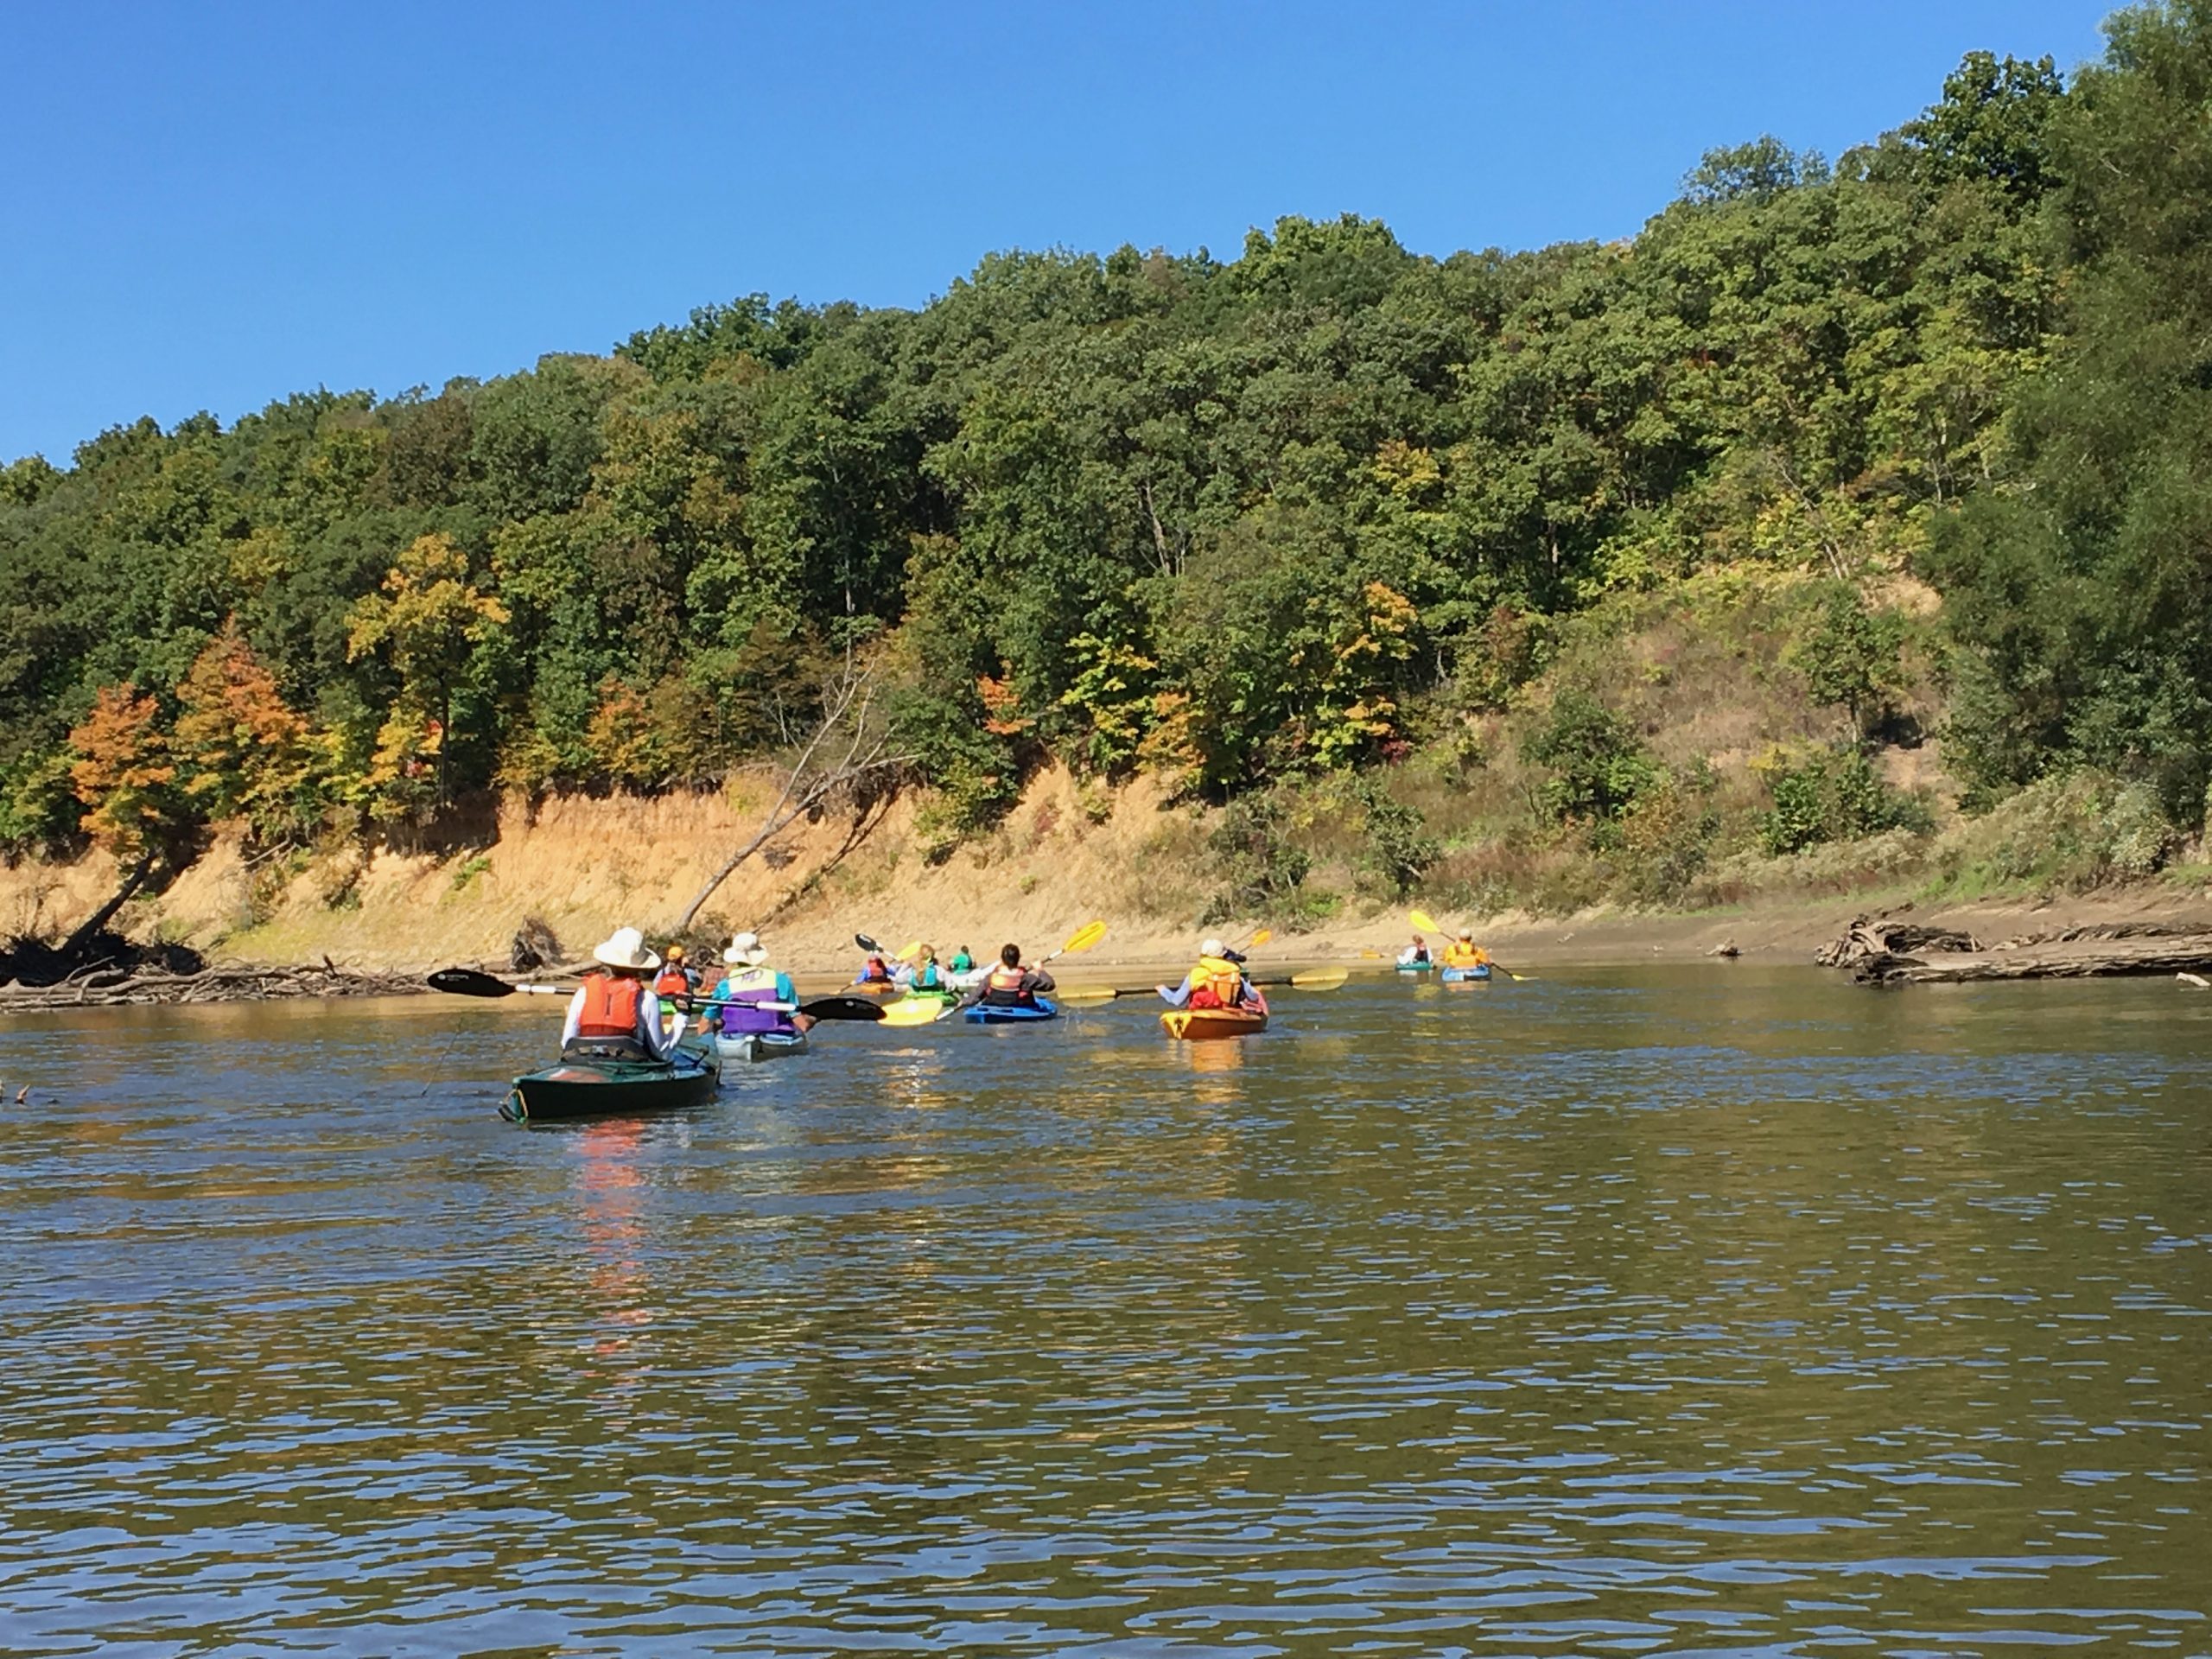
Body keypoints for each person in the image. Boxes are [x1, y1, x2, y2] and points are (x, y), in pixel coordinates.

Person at [562, 927, 685, 1061]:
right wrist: (682, 1016)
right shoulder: (647, 999)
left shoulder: (582, 994)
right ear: (641, 968)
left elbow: (566, 1043)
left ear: (608, 963)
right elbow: (662, 1054)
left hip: (583, 1064)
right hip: (628, 1068)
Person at [709, 931, 810, 1038]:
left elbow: (708, 1018)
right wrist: (809, 1023)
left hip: (737, 1037)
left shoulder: (725, 985)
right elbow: (799, 1020)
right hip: (777, 1036)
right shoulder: (781, 979)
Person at [1158, 938, 1255, 1009]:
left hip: (1200, 1011)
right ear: (1223, 955)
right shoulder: (1235, 973)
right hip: (1229, 1011)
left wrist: (1163, 990)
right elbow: (1253, 997)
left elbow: (1177, 1001)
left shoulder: (1196, 974)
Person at [959, 942, 1056, 1010]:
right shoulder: (1026, 978)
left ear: (1002, 959)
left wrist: (962, 1002)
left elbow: (974, 998)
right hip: (1021, 1009)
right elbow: (1050, 985)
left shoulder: (991, 977)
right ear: (1018, 958)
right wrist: (1040, 970)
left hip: (993, 1009)